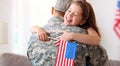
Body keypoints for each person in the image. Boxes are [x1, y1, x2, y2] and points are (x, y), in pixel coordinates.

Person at [27, 0, 108, 66]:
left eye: (75, 14)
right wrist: (38, 29)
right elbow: (100, 60)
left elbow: (95, 40)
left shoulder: (37, 34)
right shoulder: (84, 33)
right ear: (66, 11)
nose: (70, 14)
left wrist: (71, 36)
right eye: (69, 11)